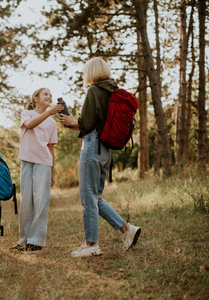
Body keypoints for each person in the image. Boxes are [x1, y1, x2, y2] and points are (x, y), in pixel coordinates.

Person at [60, 57, 141, 258]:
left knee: (88, 197)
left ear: (91, 73)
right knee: (94, 197)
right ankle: (126, 230)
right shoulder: (113, 90)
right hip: (106, 150)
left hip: (92, 145)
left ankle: (91, 244)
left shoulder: (94, 90)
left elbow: (86, 124)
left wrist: (70, 121)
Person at [10, 88, 63, 253]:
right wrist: (49, 113)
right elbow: (30, 125)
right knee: (26, 203)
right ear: (36, 98)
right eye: (46, 94)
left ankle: (36, 243)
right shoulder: (27, 113)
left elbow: (51, 149)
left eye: (51, 94)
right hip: (27, 162)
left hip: (43, 164)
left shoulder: (52, 123)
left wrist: (53, 172)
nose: (49, 96)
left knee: (41, 203)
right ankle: (23, 241)